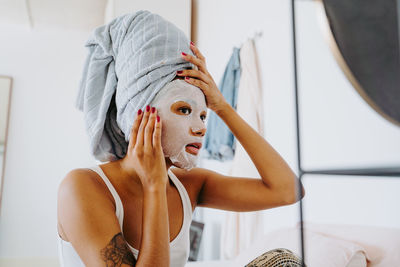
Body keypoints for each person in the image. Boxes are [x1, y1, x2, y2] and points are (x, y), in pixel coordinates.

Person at [57, 10, 305, 267]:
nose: (200, 129)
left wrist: (222, 107)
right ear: (138, 114)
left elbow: (288, 191)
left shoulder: (191, 184)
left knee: (283, 261)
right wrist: (153, 185)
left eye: (202, 115)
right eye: (184, 110)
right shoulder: (82, 187)